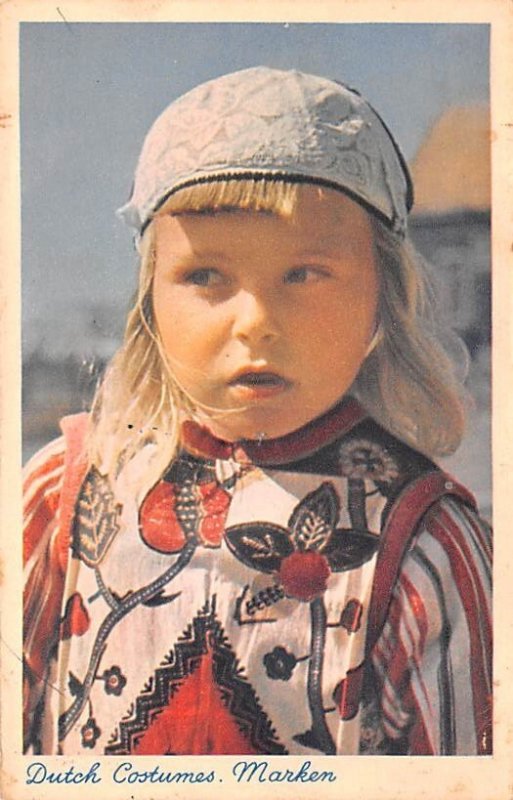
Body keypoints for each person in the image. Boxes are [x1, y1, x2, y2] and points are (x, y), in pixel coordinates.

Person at [23, 66, 492, 756]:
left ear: (380, 301)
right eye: (206, 275)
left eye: (303, 274)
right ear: (150, 299)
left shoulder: (427, 545)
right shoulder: (62, 494)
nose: (256, 322)